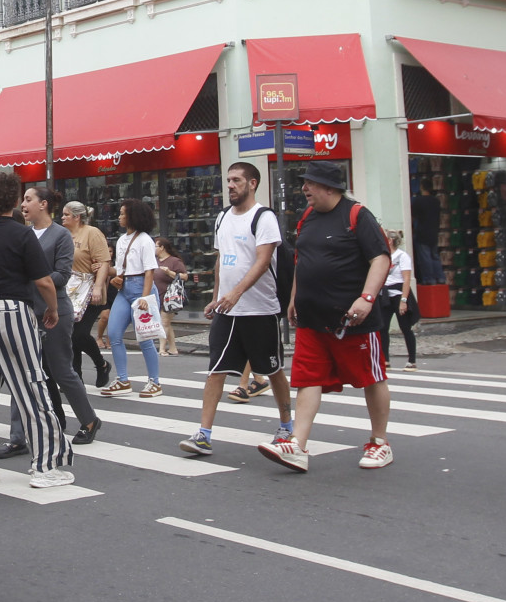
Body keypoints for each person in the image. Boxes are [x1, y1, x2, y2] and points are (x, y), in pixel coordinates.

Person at [256, 163, 393, 475]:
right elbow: (302, 260)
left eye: (311, 184)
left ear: (330, 188)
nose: (305, 189)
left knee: (370, 377)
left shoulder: (357, 215)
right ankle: (297, 446)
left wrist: (367, 298)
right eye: (305, 183)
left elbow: (380, 258)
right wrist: (293, 299)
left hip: (351, 320)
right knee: (307, 378)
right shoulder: (308, 218)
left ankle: (379, 441)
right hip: (311, 319)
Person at [0, 168, 69, 490]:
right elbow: (44, 281)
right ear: (17, 201)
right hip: (12, 311)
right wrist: (53, 309)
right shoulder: (22, 234)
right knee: (31, 387)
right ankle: (46, 465)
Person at [182, 162, 291, 457]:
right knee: (215, 371)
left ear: (252, 183)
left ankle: (286, 426)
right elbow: (222, 260)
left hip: (259, 309)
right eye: (228, 180)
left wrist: (236, 293)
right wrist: (217, 298)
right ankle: (203, 434)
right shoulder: (222, 218)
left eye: (237, 180)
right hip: (227, 311)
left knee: (273, 370)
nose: (230, 185)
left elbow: (263, 260)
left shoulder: (263, 217)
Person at [0, 186, 98, 452]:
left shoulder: (60, 235)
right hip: (25, 311)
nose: (23, 204)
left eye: (28, 199)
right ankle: (18, 437)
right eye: (23, 200)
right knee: (21, 373)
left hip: (55, 312)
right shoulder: (22, 234)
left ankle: (89, 420)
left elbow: (62, 275)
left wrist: (34, 281)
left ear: (43, 204)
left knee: (61, 371)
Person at [98, 199, 163, 397]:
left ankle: (155, 382)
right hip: (124, 289)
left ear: (132, 216)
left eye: (122, 213)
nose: (119, 216)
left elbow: (149, 271)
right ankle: (123, 380)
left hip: (142, 288)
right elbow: (122, 267)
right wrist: (110, 274)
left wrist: (145, 297)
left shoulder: (145, 240)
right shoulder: (121, 240)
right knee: (114, 334)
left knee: (145, 338)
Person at [62, 201, 112, 387]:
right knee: (70, 335)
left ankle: (101, 364)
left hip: (89, 290)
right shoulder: (63, 234)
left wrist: (98, 288)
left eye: (66, 214)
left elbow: (104, 262)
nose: (62, 217)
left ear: (77, 217)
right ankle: (76, 378)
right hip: (70, 291)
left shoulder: (92, 233)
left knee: (79, 334)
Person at [383, 229, 420, 371]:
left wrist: (403, 300)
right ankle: (385, 359)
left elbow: (406, 280)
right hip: (386, 294)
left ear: (390, 241)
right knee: (382, 328)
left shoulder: (402, 256)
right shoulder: (384, 256)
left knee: (405, 328)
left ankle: (412, 360)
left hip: (399, 294)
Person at [153, 237, 188, 356]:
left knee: (164, 322)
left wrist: (169, 272)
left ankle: (162, 348)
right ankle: (173, 348)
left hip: (170, 297)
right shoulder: (154, 260)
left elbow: (184, 277)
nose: (153, 249)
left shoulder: (174, 261)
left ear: (162, 247)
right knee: (166, 323)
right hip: (157, 296)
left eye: (155, 246)